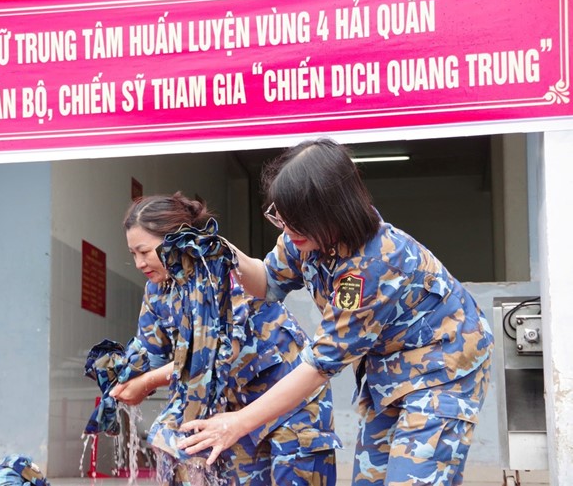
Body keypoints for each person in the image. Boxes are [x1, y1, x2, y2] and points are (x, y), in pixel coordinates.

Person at [178, 138, 495, 486]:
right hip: (386, 374)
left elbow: (319, 366)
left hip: (443, 369)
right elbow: (266, 281)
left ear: (332, 211)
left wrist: (237, 423)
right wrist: (222, 250)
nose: (287, 229)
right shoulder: (304, 236)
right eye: (281, 217)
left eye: (296, 220)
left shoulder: (372, 265)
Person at [111, 193, 340, 485]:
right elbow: (148, 352)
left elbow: (217, 354)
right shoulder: (157, 291)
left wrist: (147, 383)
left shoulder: (218, 270)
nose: (139, 263)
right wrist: (117, 375)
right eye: (133, 254)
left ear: (174, 240)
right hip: (235, 408)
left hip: (290, 400)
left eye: (144, 251)